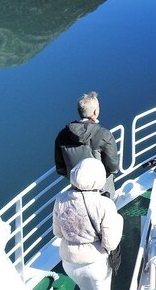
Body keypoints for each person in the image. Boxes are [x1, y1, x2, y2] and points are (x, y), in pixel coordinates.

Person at [53, 158, 124, 290]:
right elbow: (110, 243)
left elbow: (58, 233)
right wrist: (119, 220)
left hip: (69, 263)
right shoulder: (104, 204)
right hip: (95, 264)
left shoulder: (60, 200)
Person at [54, 91, 119, 198]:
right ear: (95, 112)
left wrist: (78, 179)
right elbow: (112, 167)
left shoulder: (62, 135)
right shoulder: (104, 135)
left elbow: (60, 168)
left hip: (77, 187)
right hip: (101, 189)